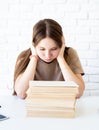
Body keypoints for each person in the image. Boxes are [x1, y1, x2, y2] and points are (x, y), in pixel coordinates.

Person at [13, 18, 85, 99]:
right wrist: (34, 58)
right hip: (34, 108)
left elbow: (78, 92)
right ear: (34, 45)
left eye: (54, 49)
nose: (47, 56)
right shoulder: (24, 57)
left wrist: (61, 58)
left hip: (61, 107)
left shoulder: (69, 54)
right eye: (42, 49)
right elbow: (21, 94)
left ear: (61, 45)